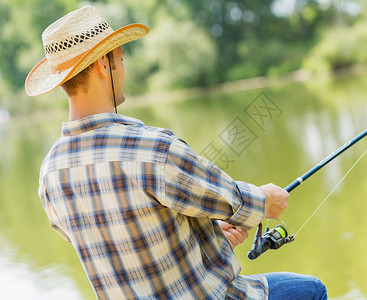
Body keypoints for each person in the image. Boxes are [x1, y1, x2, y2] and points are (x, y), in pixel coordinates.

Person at [26, 6, 327, 300]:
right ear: (104, 65)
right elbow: (236, 200)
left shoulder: (49, 174)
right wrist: (266, 201)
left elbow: (128, 242)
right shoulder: (153, 149)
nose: (124, 69)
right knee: (312, 290)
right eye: (121, 58)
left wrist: (206, 234)